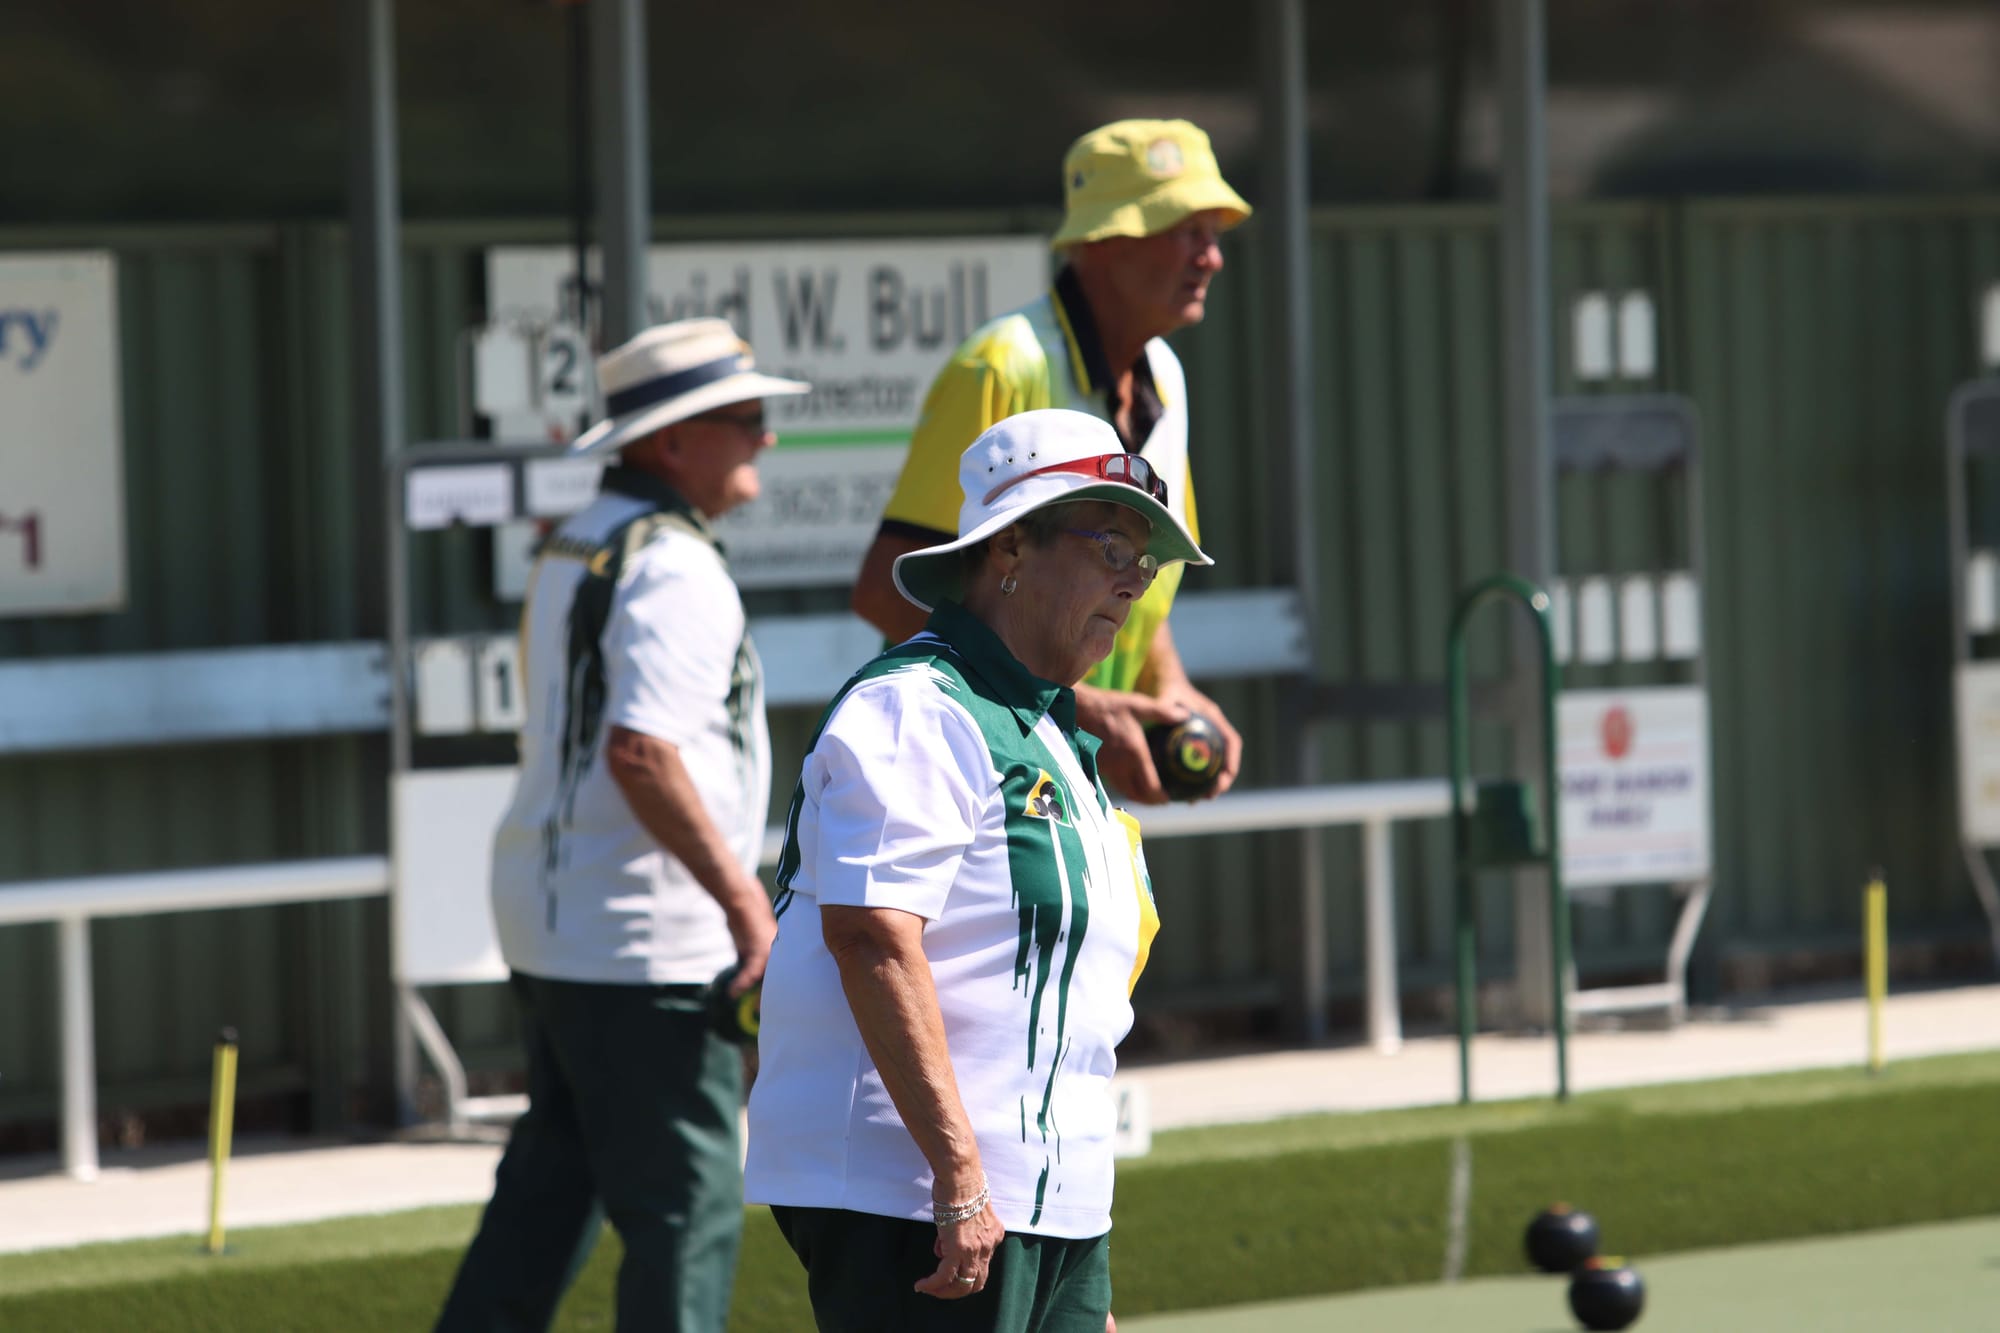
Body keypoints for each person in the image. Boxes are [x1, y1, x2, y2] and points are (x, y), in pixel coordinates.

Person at [745, 409, 1210, 1332]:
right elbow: (871, 935)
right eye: (1111, 540)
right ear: (1009, 551)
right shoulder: (917, 706)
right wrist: (959, 1177)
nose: (1135, 577)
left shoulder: (1059, 735)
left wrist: (1074, 1240)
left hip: (1054, 1202)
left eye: (1146, 556)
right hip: (914, 1198)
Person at [435, 318, 808, 1333]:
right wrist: (748, 910)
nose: (765, 438)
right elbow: (641, 752)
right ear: (672, 441)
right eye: (747, 418)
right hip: (646, 939)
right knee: (687, 1206)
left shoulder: (579, 538)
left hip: (555, 922)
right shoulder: (676, 565)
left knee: (549, 1188)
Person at [850, 118, 1251, 805]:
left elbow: (1133, 571)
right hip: (972, 774)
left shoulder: (1167, 377)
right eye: (1185, 230)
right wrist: (1087, 706)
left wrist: (1168, 688)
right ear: (1104, 241)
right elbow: (887, 590)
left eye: (1213, 234)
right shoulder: (1000, 364)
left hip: (1061, 777)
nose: (1211, 257)